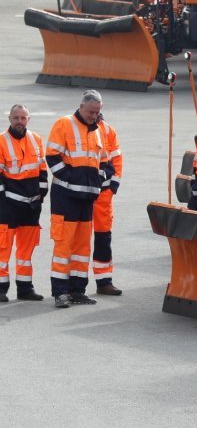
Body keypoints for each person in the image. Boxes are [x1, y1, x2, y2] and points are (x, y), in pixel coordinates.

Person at [46, 90, 105, 308]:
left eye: (97, 112)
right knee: (64, 246)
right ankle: (60, 293)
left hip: (86, 198)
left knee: (82, 247)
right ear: (81, 106)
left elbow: (103, 161)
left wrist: (98, 181)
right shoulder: (64, 124)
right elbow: (52, 157)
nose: (94, 116)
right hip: (65, 197)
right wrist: (71, 179)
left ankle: (77, 290)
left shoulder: (97, 130)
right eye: (91, 112)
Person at [0, 105, 47, 302]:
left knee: (26, 250)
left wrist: (42, 193)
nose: (19, 121)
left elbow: (42, 169)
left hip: (31, 205)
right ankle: (0, 290)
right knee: (3, 248)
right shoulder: (1, 141)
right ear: (9, 119)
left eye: (23, 118)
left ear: (29, 119)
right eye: (16, 117)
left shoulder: (36, 139)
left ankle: (25, 288)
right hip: (8, 204)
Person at [93, 112, 123, 296]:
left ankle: (104, 282)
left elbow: (117, 158)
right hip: (80, 193)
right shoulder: (72, 128)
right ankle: (73, 285)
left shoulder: (108, 131)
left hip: (103, 195)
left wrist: (113, 186)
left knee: (103, 237)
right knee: (76, 241)